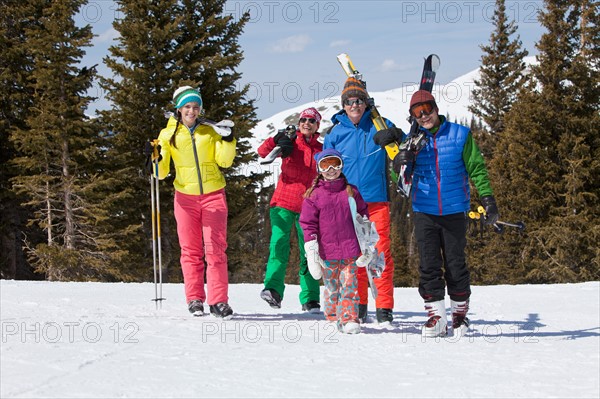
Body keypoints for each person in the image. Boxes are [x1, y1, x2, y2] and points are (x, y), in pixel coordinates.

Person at [374, 90, 499, 337]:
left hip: (454, 210)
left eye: (427, 109)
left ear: (435, 108)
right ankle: (436, 317)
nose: (424, 116)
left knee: (455, 264)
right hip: (425, 212)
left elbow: (476, 168)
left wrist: (487, 198)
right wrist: (400, 161)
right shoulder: (412, 141)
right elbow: (398, 181)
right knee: (429, 266)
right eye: (417, 113)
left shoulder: (460, 135)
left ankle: (460, 316)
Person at [146, 86, 236, 319]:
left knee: (215, 250)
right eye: (187, 106)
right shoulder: (168, 134)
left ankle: (219, 301)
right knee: (191, 251)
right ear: (179, 109)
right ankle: (195, 299)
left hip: (214, 194)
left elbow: (224, 162)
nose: (192, 111)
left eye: (196, 107)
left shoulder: (210, 131)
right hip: (184, 197)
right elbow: (161, 172)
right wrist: (155, 156)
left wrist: (228, 139)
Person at [323, 77, 397, 324]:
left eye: (359, 101)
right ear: (343, 105)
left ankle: (384, 307)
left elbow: (404, 144)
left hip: (376, 201)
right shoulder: (335, 134)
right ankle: (361, 304)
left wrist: (394, 134)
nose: (354, 105)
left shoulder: (379, 124)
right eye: (350, 101)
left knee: (379, 252)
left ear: (366, 103)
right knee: (356, 255)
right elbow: (324, 169)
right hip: (349, 204)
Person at [258, 108, 323, 312]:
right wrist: (276, 139)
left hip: (309, 209)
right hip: (283, 204)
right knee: (278, 247)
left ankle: (311, 298)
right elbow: (262, 152)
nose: (306, 123)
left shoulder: (321, 149)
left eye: (311, 120)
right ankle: (273, 291)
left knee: (309, 253)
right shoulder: (289, 142)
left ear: (317, 126)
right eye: (303, 119)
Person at [299, 149, 369, 334]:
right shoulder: (314, 195)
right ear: (319, 169)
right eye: (325, 165)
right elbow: (308, 223)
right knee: (331, 286)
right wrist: (311, 246)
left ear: (341, 166)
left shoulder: (351, 191)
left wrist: (366, 234)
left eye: (335, 164)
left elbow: (363, 213)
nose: (331, 169)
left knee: (349, 285)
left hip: (350, 249)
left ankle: (349, 318)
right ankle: (332, 315)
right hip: (327, 251)